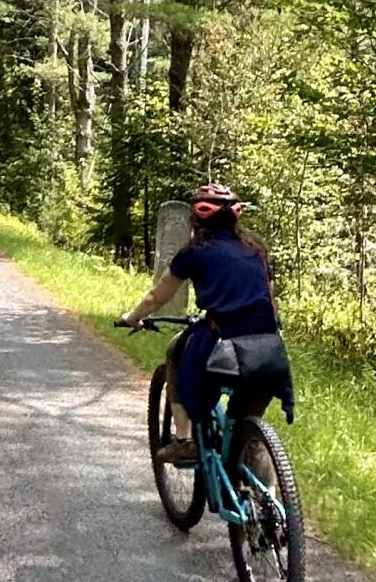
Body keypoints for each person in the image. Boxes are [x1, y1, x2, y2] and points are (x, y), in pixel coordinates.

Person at [118, 183, 293, 464]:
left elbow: (157, 295)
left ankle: (184, 441)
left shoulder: (195, 252)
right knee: (247, 428)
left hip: (225, 342)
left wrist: (132, 317)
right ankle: (272, 499)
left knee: (176, 350)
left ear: (197, 219)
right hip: (268, 348)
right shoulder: (256, 248)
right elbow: (269, 299)